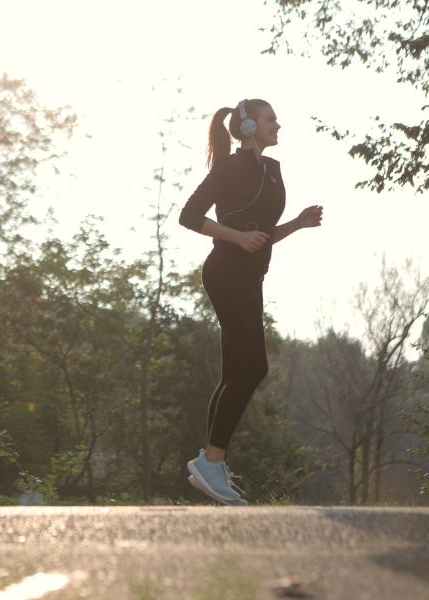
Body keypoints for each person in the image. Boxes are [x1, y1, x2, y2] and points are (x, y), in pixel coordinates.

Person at [179, 99, 322, 506]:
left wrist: (296, 223)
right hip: (225, 272)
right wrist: (236, 238)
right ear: (248, 125)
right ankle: (211, 461)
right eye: (270, 119)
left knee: (234, 373)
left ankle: (212, 465)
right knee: (254, 367)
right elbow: (189, 216)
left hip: (249, 277)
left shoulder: (272, 171)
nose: (278, 125)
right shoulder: (228, 169)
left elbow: (260, 234)